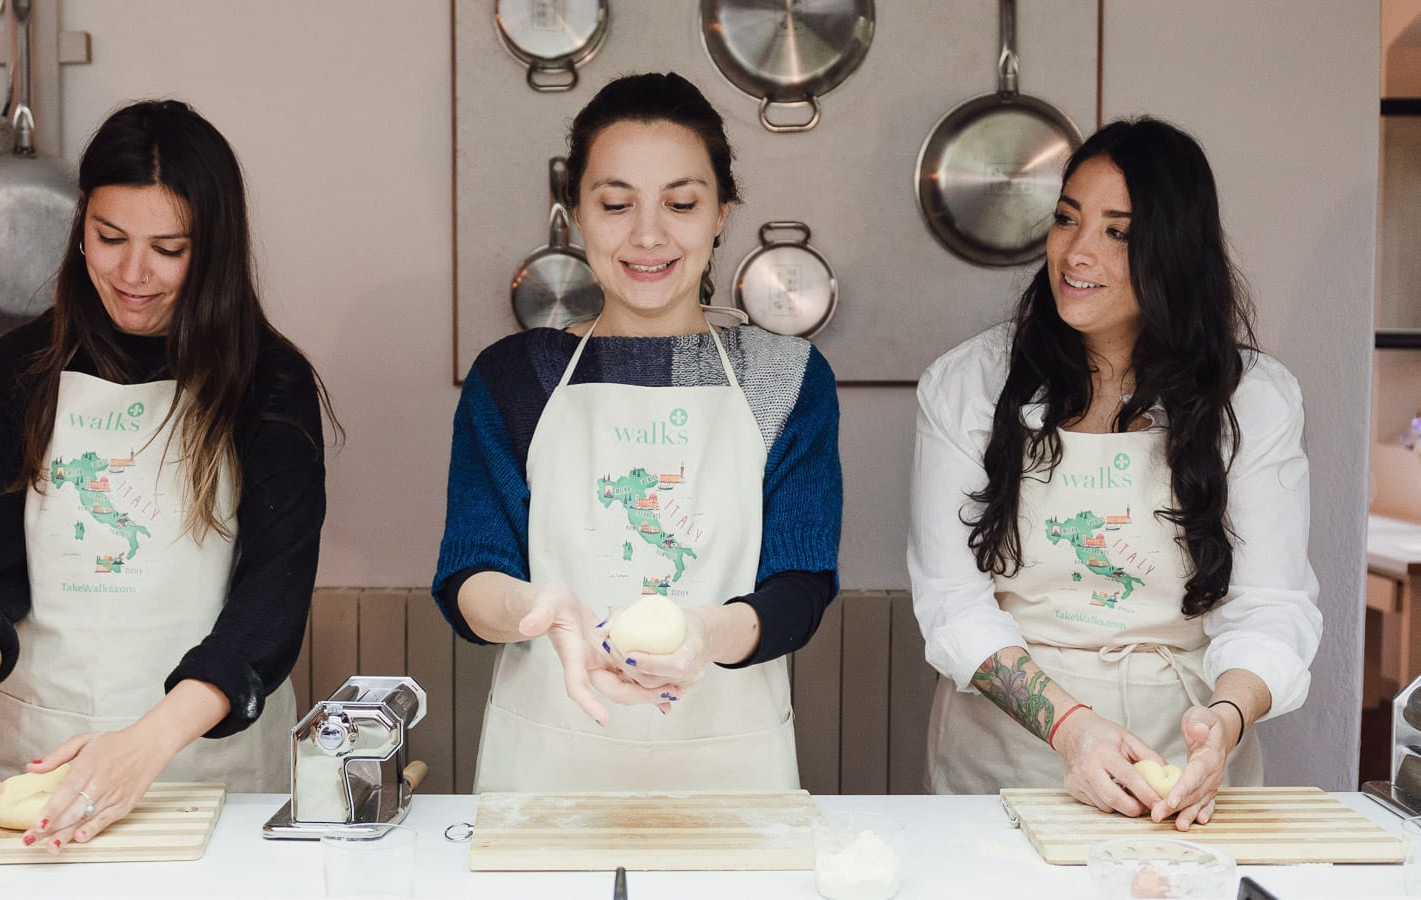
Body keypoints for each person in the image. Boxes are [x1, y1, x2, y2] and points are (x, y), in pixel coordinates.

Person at [0, 100, 333, 851]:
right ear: (81, 224)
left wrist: (143, 747)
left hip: (205, 766)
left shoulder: (266, 381)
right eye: (109, 237)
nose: (132, 273)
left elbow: (269, 604)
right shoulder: (22, 370)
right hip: (42, 761)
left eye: (169, 249)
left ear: (212, 248)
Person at [908, 117, 1322, 831]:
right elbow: (953, 604)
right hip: (1009, 760)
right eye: (1067, 219)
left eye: (1117, 232)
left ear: (1175, 251)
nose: (1076, 252)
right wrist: (1072, 729)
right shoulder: (967, 386)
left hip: (1185, 768)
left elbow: (1271, 608)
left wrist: (1222, 724)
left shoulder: (1253, 399)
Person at [433, 72, 842, 792]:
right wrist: (535, 610)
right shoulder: (515, 377)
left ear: (722, 213)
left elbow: (799, 586)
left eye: (681, 203)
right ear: (577, 214)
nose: (648, 235)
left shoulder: (786, 379)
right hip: (549, 769)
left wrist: (702, 636)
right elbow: (469, 575)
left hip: (731, 770)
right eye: (616, 204)